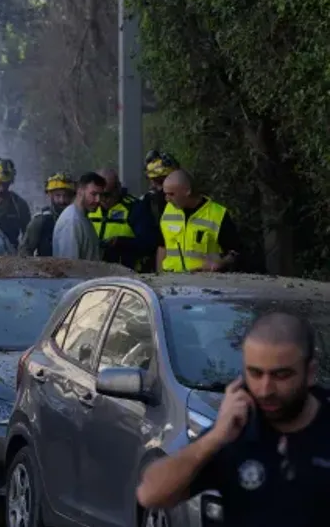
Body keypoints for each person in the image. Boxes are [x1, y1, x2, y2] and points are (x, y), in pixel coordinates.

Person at [137, 312, 330, 526]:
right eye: (255, 373)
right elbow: (150, 494)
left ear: (310, 372)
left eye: (281, 375)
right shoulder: (237, 429)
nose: (265, 390)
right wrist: (215, 438)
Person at [158, 169, 240, 272]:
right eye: (165, 194)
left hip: (204, 278)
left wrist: (220, 263)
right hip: (170, 277)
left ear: (187, 191)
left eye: (171, 194)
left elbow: (235, 252)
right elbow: (162, 246)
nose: (167, 199)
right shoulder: (168, 210)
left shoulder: (218, 214)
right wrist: (158, 275)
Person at [90, 168, 146, 269]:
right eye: (97, 194)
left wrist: (121, 242)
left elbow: (148, 243)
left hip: (126, 270)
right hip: (92, 268)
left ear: (118, 188)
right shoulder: (89, 206)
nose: (101, 199)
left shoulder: (135, 207)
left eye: (107, 195)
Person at [19, 172, 76, 257]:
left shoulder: (77, 220)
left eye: (66, 196)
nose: (62, 200)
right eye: (58, 195)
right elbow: (25, 250)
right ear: (50, 195)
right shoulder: (40, 221)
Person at [52, 172, 105, 260]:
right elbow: (69, 264)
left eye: (101, 195)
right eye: (93, 194)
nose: (98, 200)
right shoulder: (71, 221)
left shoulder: (82, 217)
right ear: (80, 191)